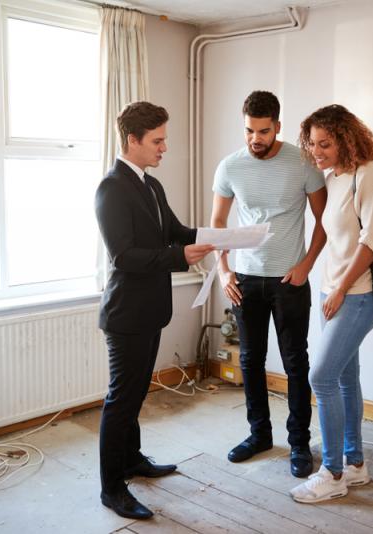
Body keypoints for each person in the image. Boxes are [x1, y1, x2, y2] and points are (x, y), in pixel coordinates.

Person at [94, 101, 214, 519]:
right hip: (126, 314)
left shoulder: (151, 185)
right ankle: (112, 488)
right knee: (121, 400)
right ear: (133, 140)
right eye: (158, 141)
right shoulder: (111, 189)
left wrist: (223, 236)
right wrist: (181, 256)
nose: (165, 148)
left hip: (150, 311)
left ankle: (132, 460)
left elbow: (176, 233)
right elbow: (124, 256)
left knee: (137, 393)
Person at [211, 90, 328, 478]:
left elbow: (325, 221)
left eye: (263, 131)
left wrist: (306, 265)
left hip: (288, 279)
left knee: (296, 363)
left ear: (277, 126)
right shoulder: (230, 167)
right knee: (250, 360)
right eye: (249, 131)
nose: (255, 139)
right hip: (245, 278)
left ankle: (298, 444)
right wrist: (224, 271)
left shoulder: (304, 161)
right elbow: (217, 225)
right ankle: (259, 434)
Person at [289, 104, 373, 503]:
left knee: (321, 378)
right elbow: (332, 235)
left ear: (346, 139)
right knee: (345, 378)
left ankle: (332, 472)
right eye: (313, 144)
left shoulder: (368, 175)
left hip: (359, 295)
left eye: (326, 144)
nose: (317, 152)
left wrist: (339, 290)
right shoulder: (334, 177)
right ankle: (355, 463)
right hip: (332, 292)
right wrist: (323, 283)